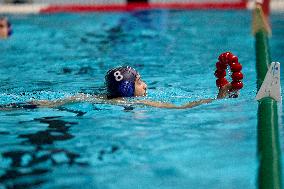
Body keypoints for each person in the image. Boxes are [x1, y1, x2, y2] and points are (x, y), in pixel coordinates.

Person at [20, 66, 233, 110]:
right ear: (127, 88)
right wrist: (218, 99)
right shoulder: (139, 102)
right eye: (139, 81)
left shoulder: (93, 98)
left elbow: (54, 102)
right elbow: (179, 108)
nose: (146, 85)